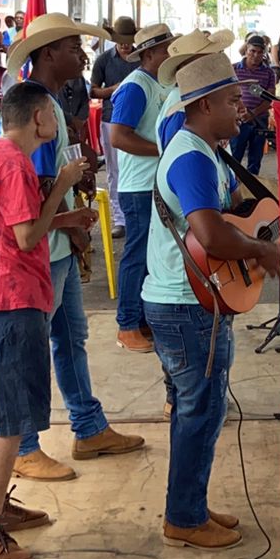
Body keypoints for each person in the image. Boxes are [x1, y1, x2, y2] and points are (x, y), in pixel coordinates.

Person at [145, 52, 280, 551]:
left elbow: (223, 222)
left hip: (197, 300)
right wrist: (265, 251)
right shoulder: (193, 157)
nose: (239, 110)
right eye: (230, 101)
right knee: (199, 410)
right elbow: (210, 235)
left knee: (199, 409)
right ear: (202, 106)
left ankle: (190, 505)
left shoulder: (199, 149)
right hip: (186, 305)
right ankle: (183, 516)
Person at [0, 81, 89, 559]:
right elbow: (26, 233)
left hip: (0, 296)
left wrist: (64, 216)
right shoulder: (15, 163)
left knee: (9, 411)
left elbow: (12, 224)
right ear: (38, 119)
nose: (57, 122)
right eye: (52, 114)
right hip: (9, 297)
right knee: (9, 418)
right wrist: (61, 183)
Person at [5, 13, 144, 481]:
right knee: (35, 346)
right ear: (49, 54)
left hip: (59, 245)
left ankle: (87, 425)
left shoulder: (52, 102)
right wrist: (67, 221)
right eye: (72, 48)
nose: (83, 56)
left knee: (70, 338)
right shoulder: (35, 109)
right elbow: (35, 186)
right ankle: (24, 445)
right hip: (46, 245)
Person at [108, 24, 176, 352]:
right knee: (137, 254)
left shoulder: (161, 83)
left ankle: (143, 318)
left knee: (151, 254)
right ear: (149, 54)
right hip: (138, 186)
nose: (171, 55)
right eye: (167, 50)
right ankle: (127, 324)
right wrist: (165, 150)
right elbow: (118, 136)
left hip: (154, 182)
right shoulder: (136, 86)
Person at [90, 17, 143, 238]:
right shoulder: (103, 60)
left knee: (139, 167)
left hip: (140, 119)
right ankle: (120, 218)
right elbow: (93, 91)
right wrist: (115, 89)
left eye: (128, 40)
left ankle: (138, 215)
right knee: (114, 170)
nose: (125, 44)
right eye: (121, 41)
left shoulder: (142, 58)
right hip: (112, 119)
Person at [231, 34, 278, 173]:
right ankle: (233, 189)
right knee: (235, 158)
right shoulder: (234, 69)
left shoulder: (269, 73)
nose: (256, 55)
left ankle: (252, 190)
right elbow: (227, 94)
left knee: (255, 160)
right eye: (252, 51)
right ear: (246, 50)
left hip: (259, 120)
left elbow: (270, 98)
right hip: (238, 119)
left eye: (259, 52)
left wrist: (254, 114)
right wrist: (240, 112)